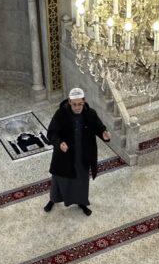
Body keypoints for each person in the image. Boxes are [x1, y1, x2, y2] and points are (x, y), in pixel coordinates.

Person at [44, 87, 111, 215]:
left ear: (84, 101)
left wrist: (104, 133)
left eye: (80, 104)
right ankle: (53, 200)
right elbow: (51, 133)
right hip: (64, 155)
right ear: (69, 102)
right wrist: (59, 143)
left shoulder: (90, 113)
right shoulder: (61, 114)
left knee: (81, 181)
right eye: (74, 104)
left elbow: (99, 127)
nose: (77, 107)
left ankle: (82, 202)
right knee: (59, 179)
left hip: (83, 155)